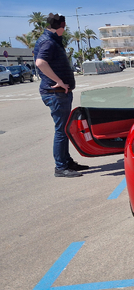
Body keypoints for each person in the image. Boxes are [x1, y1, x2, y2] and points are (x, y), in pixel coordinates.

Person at [34, 13, 88, 178]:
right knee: (61, 130)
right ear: (62, 26)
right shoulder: (49, 42)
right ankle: (61, 166)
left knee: (64, 129)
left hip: (58, 93)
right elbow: (40, 62)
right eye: (64, 27)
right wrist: (59, 81)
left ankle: (67, 161)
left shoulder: (50, 40)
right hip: (55, 93)